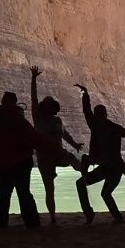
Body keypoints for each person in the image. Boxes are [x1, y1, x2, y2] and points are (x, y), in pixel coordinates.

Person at [75, 83, 125, 224]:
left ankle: (118, 218)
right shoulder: (93, 124)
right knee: (80, 183)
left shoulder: (114, 128)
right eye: (97, 115)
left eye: (102, 114)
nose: (99, 117)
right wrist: (85, 94)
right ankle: (89, 213)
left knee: (105, 193)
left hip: (116, 168)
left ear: (106, 115)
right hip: (105, 167)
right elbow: (86, 111)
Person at [30, 66, 84, 225]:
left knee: (73, 159)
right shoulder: (38, 118)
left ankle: (87, 175)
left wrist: (75, 144)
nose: (49, 107)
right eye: (47, 105)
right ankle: (52, 217)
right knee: (49, 189)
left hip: (58, 153)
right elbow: (33, 98)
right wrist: (33, 79)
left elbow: (65, 134)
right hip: (44, 157)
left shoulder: (57, 120)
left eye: (51, 105)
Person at [0, 91, 43, 228]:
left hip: (10, 162)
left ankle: (0, 222)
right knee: (20, 193)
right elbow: (34, 137)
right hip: (18, 162)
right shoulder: (15, 119)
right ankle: (31, 222)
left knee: (6, 193)